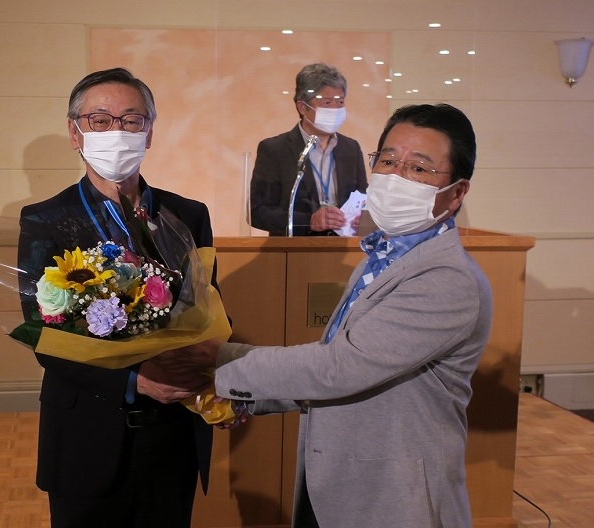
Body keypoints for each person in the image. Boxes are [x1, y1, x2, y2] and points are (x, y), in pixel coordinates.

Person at [156, 104, 493, 527]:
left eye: (419, 168)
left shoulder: (446, 278)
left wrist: (218, 360)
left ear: (457, 193)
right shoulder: (381, 257)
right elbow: (339, 363)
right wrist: (246, 397)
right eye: (388, 161)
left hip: (395, 498)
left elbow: (340, 367)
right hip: (341, 484)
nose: (395, 177)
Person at [17, 67, 218, 528]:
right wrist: (134, 381)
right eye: (100, 120)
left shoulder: (188, 215)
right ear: (75, 133)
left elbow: (209, 310)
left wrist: (218, 379)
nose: (117, 131)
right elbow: (42, 333)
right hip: (86, 433)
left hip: (172, 432)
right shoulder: (45, 219)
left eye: (132, 120)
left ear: (149, 133)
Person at [249, 63, 367, 236]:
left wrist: (363, 218)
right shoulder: (275, 150)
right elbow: (257, 212)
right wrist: (309, 221)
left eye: (340, 102)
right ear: (302, 107)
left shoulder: (351, 149)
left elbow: (363, 199)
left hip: (344, 246)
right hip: (296, 248)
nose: (335, 109)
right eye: (327, 103)